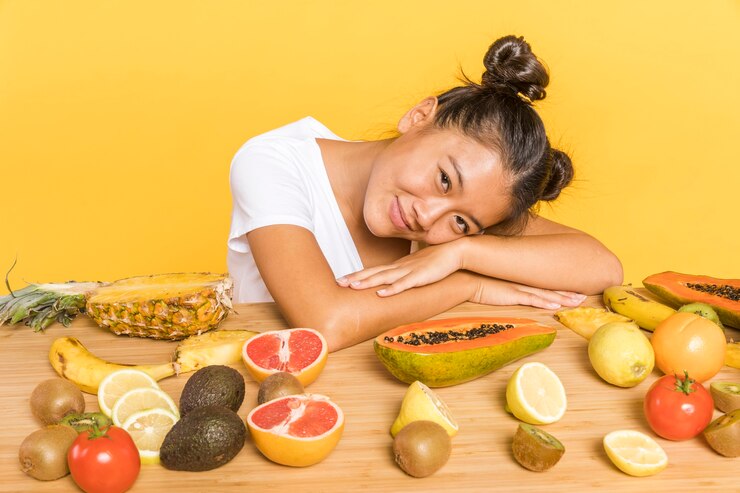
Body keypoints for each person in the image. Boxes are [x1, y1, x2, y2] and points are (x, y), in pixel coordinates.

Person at [227, 35, 623, 351]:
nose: (429, 217)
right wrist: (470, 283)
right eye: (445, 180)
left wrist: (461, 251)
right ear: (418, 117)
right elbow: (326, 323)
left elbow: (604, 268)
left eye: (461, 222)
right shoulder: (272, 162)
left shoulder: (462, 223)